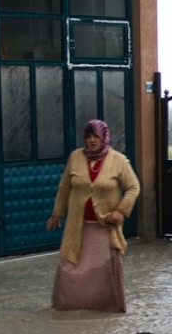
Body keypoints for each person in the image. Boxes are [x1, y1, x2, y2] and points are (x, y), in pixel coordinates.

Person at [45, 120, 140, 312]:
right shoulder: (75, 157)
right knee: (69, 267)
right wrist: (57, 214)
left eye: (96, 136)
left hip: (103, 228)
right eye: (88, 136)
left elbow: (133, 187)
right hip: (78, 227)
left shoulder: (118, 160)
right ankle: (67, 309)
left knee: (101, 271)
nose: (92, 140)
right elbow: (64, 188)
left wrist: (120, 210)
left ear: (104, 137)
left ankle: (105, 310)